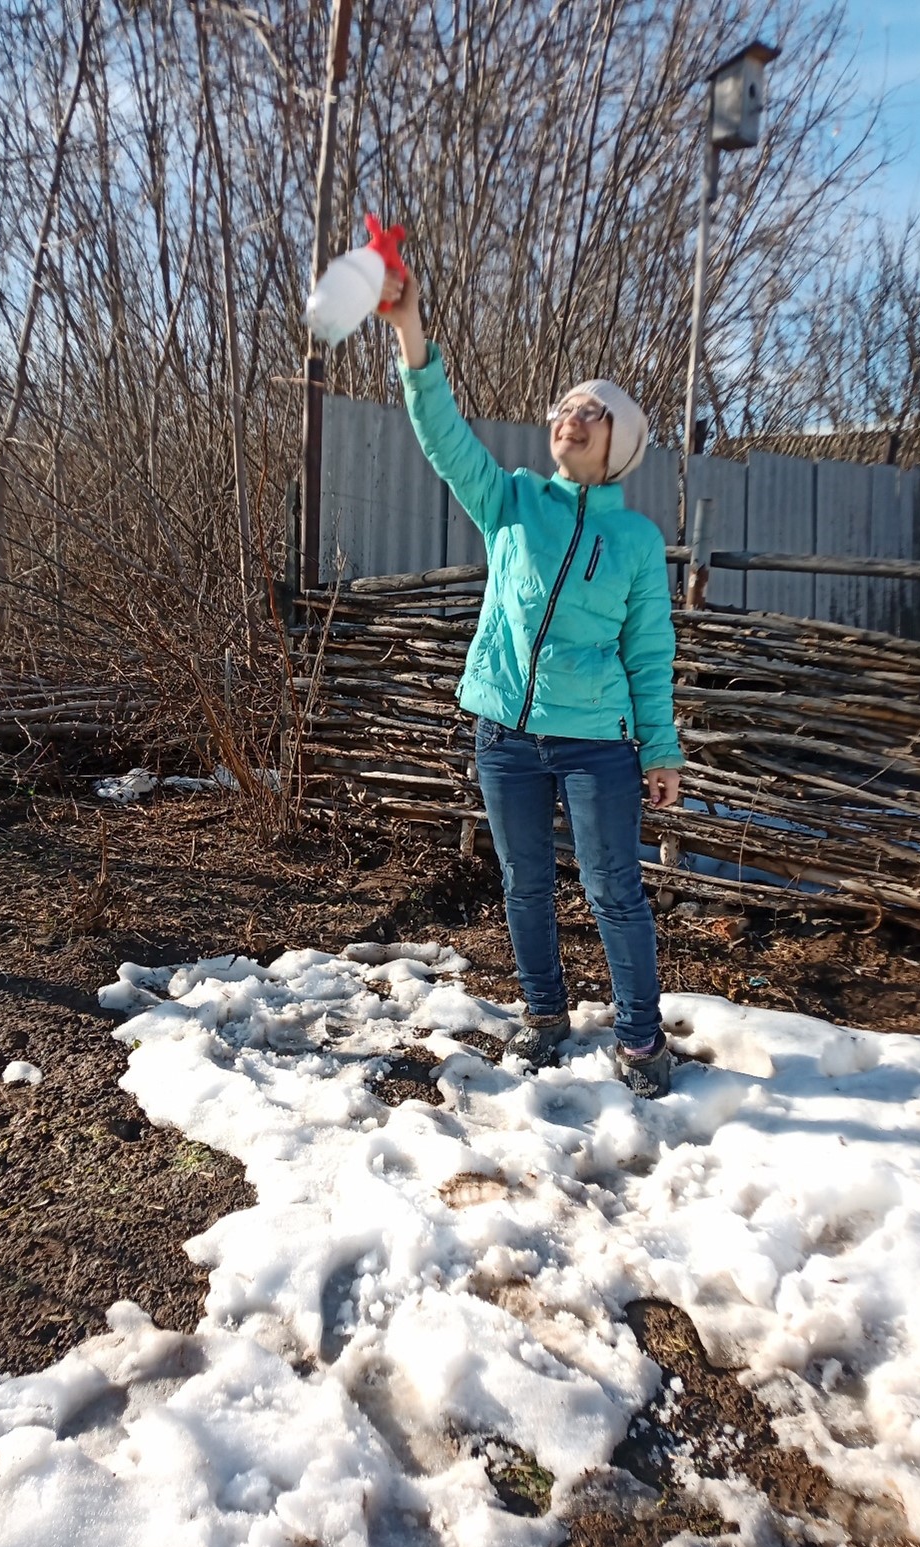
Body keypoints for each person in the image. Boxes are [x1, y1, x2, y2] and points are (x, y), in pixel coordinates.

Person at [377, 268, 682, 1099]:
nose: (566, 418)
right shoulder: (509, 503)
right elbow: (442, 436)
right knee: (524, 883)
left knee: (613, 888)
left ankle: (638, 1036)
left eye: (588, 411)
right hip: (504, 736)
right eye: (562, 408)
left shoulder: (635, 543)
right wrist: (411, 332)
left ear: (617, 442)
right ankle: (544, 1018)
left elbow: (648, 653)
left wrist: (660, 751)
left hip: (596, 743)